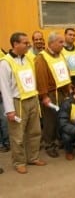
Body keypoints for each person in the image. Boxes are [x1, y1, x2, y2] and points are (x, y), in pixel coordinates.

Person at [0, 32, 46, 174]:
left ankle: (33, 157)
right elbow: (5, 88)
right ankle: (19, 162)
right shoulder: (5, 63)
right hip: (17, 103)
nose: (29, 45)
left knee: (35, 132)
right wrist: (9, 110)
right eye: (25, 43)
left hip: (32, 99)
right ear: (15, 44)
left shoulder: (28, 58)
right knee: (17, 135)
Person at [35, 32, 71, 158]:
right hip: (50, 95)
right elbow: (41, 79)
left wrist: (68, 90)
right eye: (60, 42)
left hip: (61, 93)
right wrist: (44, 96)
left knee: (61, 119)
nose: (63, 44)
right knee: (50, 121)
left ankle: (59, 141)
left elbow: (65, 73)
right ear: (52, 43)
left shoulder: (60, 55)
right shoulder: (41, 58)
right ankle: (49, 145)